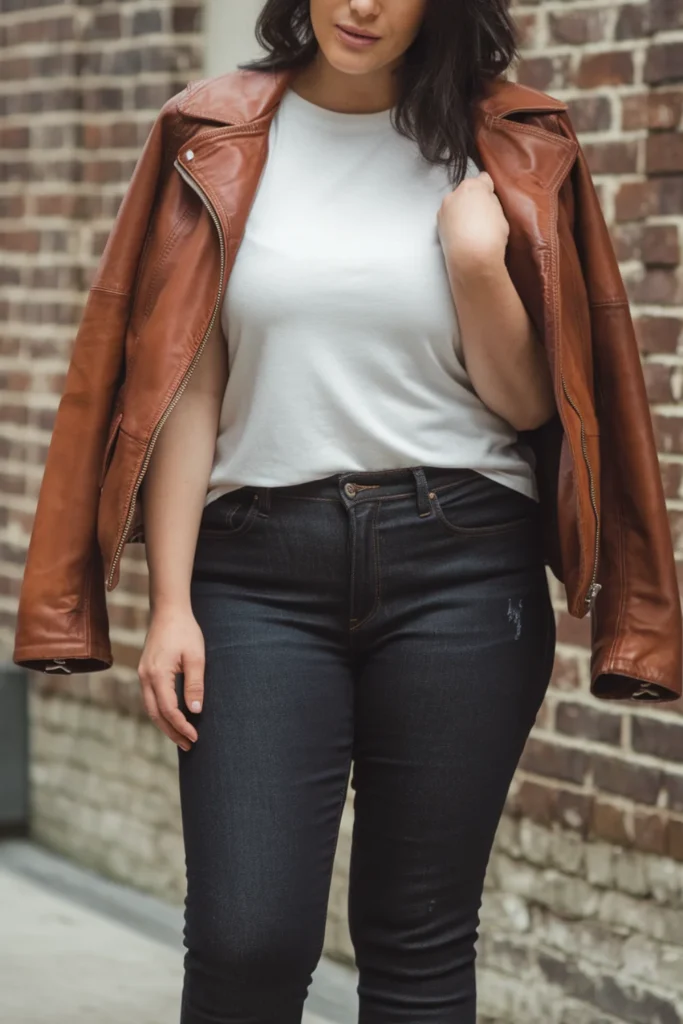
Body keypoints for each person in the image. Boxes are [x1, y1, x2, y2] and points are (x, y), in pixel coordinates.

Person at [11, 0, 682, 1022]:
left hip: (462, 568)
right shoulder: (214, 131)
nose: (363, 5)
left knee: (418, 947)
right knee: (244, 940)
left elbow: (528, 404)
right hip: (255, 575)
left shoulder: (509, 139)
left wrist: (474, 261)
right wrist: (171, 604)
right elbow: (185, 380)